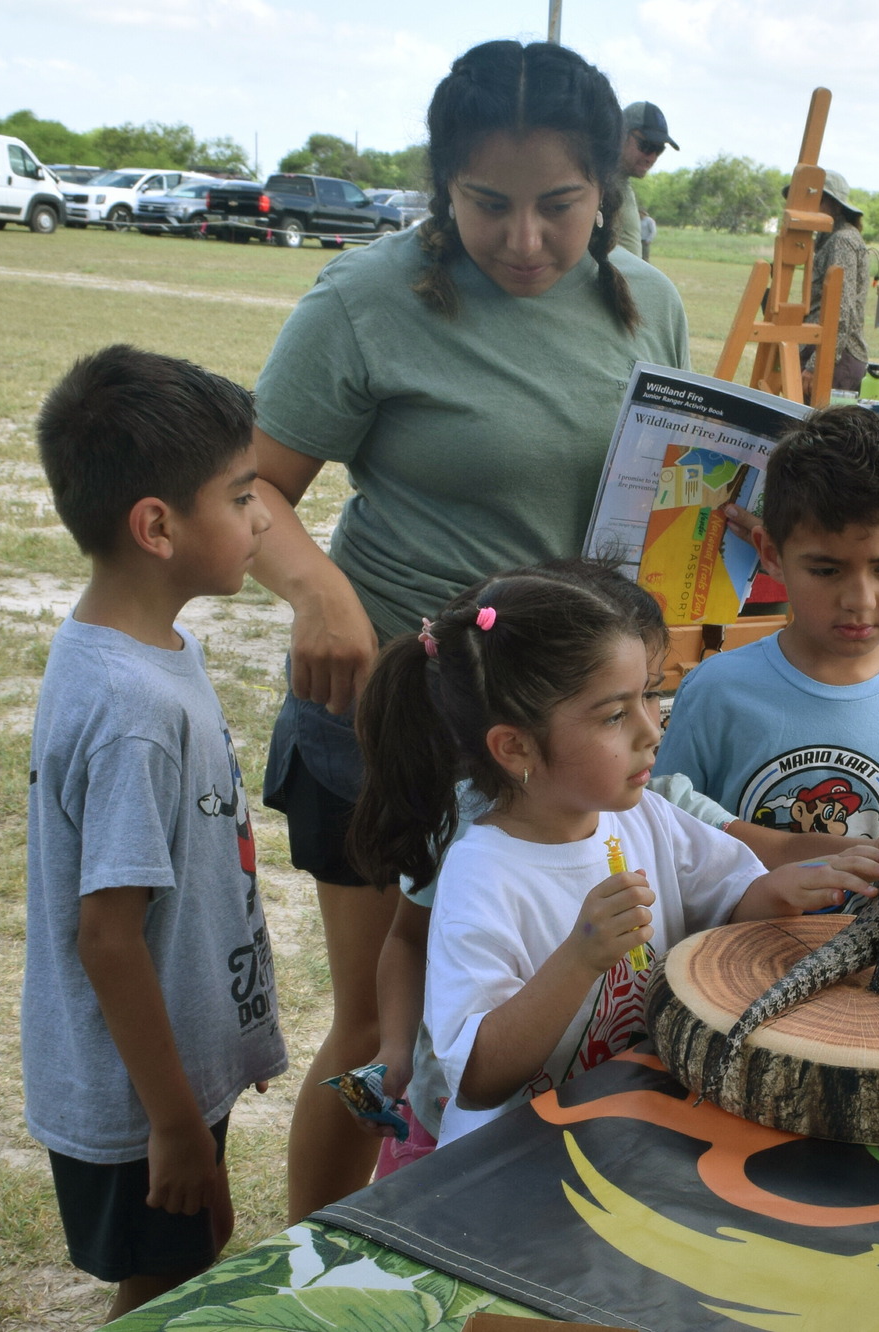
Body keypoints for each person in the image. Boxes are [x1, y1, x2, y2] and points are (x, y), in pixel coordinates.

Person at [243, 39, 689, 1219]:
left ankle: (503, 1254)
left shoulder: (650, 305)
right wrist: (320, 595)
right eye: (490, 205)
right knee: (377, 1030)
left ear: (610, 189)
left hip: (552, 737)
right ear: (443, 186)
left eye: (562, 206)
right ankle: (316, 1265)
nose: (527, 241)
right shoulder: (363, 301)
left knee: (550, 1012)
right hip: (389, 714)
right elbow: (251, 489)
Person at [351, 558, 879, 1176]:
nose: (653, 730)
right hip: (513, 1174)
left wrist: (779, 890)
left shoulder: (642, 816)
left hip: (624, 1146)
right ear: (514, 746)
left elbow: (731, 898)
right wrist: (580, 957)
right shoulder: (483, 874)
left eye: (651, 695)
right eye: (615, 715)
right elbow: (481, 1078)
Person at [23, 346, 285, 1318]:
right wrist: (175, 1123)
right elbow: (107, 932)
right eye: (242, 494)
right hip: (139, 1102)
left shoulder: (143, 649)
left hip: (168, 1077)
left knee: (197, 1250)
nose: (263, 518)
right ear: (158, 526)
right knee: (170, 1281)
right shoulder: (133, 706)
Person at [656, 406, 879, 863]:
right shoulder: (715, 691)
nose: (859, 599)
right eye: (826, 569)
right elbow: (661, 831)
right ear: (771, 553)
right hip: (728, 936)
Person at [800, 170, 870, 396]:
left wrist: (816, 365)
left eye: (816, 199)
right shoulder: (827, 238)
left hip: (837, 359)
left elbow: (841, 310)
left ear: (835, 206)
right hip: (824, 352)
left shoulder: (842, 240)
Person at [614, 101, 675, 261]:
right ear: (620, 134)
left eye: (659, 150)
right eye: (647, 146)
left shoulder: (620, 183)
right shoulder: (595, 183)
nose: (652, 158)